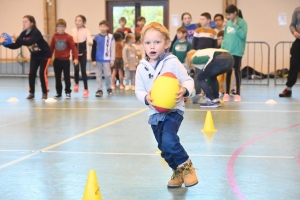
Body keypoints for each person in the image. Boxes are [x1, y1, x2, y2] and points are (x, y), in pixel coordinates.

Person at [135, 22, 198, 188]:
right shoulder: (142, 68)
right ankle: (177, 172)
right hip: (154, 114)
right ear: (143, 45)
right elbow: (139, 90)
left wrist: (184, 90)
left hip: (173, 111)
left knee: (169, 141)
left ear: (167, 43)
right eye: (148, 43)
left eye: (157, 42)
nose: (152, 46)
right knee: (163, 147)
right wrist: (145, 97)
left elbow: (188, 80)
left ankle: (187, 166)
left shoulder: (172, 62)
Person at [5, 15, 51, 100]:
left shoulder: (36, 32)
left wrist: (18, 39)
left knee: (42, 73)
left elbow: (29, 42)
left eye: (26, 21)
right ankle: (31, 93)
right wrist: (6, 44)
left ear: (32, 23)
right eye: (23, 21)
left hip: (45, 55)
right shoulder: (23, 34)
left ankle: (45, 92)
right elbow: (16, 45)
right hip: (35, 56)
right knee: (31, 73)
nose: (24, 23)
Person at [222, 4, 248, 102]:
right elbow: (225, 37)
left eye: (229, 14)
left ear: (235, 13)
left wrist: (236, 26)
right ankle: (227, 93)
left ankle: (238, 94)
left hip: (237, 51)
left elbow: (243, 35)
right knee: (228, 72)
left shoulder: (243, 23)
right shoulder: (228, 23)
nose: (228, 17)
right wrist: (223, 48)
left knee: (236, 71)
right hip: (228, 51)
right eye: (227, 15)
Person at [191, 12, 218, 103]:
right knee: (197, 75)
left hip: (209, 56)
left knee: (209, 75)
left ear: (208, 20)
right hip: (199, 56)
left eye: (203, 19)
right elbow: (194, 44)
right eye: (200, 19)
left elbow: (215, 46)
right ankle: (198, 93)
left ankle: (209, 93)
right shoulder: (198, 31)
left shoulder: (214, 32)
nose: (201, 21)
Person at [50, 19, 79, 99]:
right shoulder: (54, 37)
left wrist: (76, 58)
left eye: (62, 27)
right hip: (57, 60)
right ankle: (58, 93)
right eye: (59, 26)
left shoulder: (68, 37)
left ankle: (68, 92)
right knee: (57, 77)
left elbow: (74, 48)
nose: (61, 28)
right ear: (56, 27)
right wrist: (48, 58)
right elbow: (51, 48)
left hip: (65, 60)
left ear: (65, 27)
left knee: (67, 77)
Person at [279, 6, 300, 97]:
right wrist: (294, 32)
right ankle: (289, 88)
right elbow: (292, 24)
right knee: (294, 64)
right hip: (299, 40)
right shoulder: (297, 10)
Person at [91, 20, 115, 97]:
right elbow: (93, 49)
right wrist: (93, 59)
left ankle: (109, 88)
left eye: (104, 26)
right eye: (101, 26)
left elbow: (112, 49)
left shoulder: (111, 37)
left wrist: (112, 59)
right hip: (98, 59)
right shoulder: (96, 37)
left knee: (107, 75)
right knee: (98, 75)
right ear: (99, 27)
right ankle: (99, 90)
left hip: (107, 60)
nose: (102, 28)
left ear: (107, 28)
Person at [71, 15, 93, 97]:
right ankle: (76, 84)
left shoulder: (86, 30)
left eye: (80, 20)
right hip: (75, 54)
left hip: (83, 53)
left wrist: (90, 42)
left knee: (83, 70)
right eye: (76, 20)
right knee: (76, 69)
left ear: (83, 22)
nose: (77, 22)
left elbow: (89, 38)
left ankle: (86, 89)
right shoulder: (73, 30)